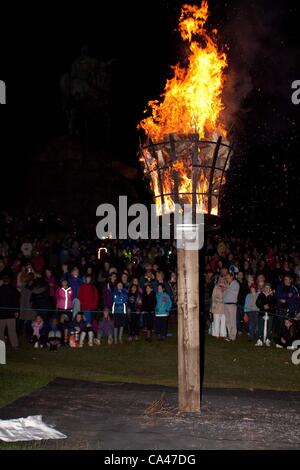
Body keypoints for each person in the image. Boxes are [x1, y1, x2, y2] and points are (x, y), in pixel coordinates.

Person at [0, 275, 20, 348]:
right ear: (9, 281)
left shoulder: (0, 289)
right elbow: (16, 302)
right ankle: (15, 345)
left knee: (1, 331)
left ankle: (1, 345)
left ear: (3, 281)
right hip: (10, 314)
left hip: (1, 314)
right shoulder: (13, 290)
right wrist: (16, 311)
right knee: (12, 330)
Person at [223, 272, 240, 342]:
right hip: (226, 304)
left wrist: (226, 287)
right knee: (227, 321)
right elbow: (224, 294)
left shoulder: (235, 284)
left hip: (232, 304)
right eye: (226, 278)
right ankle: (230, 335)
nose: (227, 279)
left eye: (228, 277)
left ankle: (233, 336)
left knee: (232, 320)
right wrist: (224, 289)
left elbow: (233, 292)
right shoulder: (228, 284)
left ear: (231, 277)